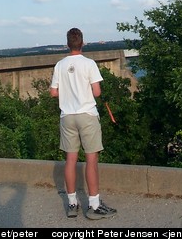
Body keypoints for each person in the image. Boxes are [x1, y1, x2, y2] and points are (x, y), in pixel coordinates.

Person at [49, 27, 117, 220]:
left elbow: (53, 92)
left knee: (70, 159)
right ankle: (94, 205)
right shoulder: (89, 64)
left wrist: (69, 94)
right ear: (83, 43)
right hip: (87, 114)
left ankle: (72, 203)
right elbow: (97, 92)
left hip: (67, 116)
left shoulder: (60, 65)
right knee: (91, 159)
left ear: (67, 44)